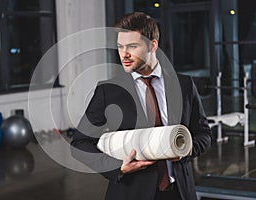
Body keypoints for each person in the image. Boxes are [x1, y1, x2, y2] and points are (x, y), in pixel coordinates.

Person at [71, 12, 212, 200]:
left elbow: (204, 134)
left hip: (180, 191)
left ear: (153, 45)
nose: (124, 54)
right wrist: (117, 167)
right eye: (120, 47)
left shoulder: (184, 85)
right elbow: (80, 144)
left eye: (132, 46)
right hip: (130, 192)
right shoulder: (109, 90)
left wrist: (186, 150)